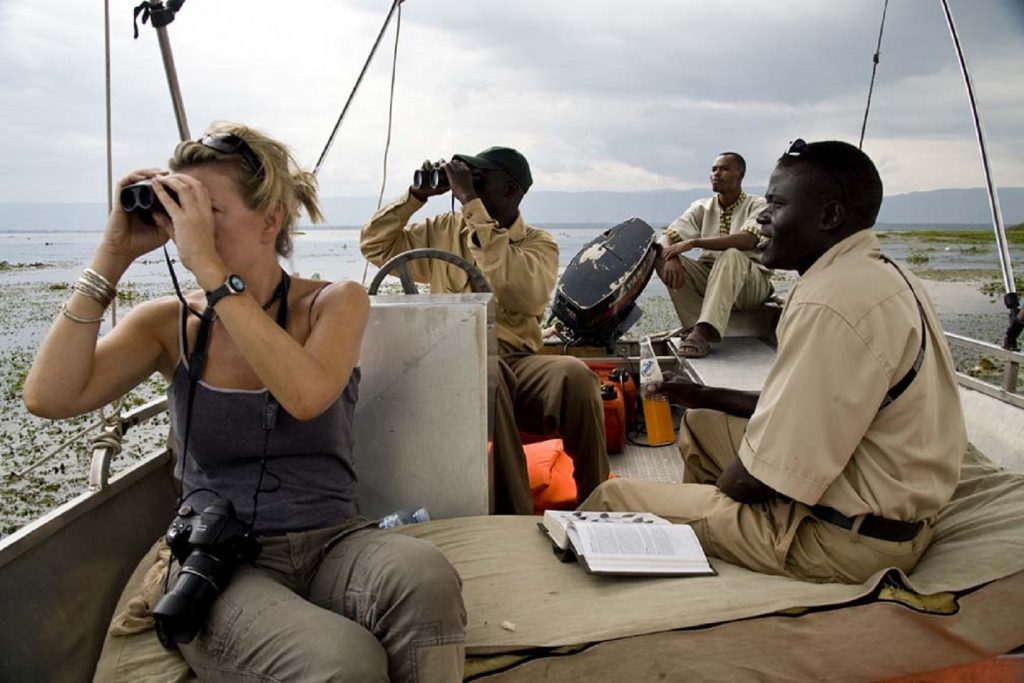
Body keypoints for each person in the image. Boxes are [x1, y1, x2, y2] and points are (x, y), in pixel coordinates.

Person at [22, 122, 466, 681]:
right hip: (222, 561)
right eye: (182, 211)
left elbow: (305, 396)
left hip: (333, 540)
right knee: (344, 662)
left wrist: (212, 274)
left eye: (207, 212)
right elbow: (48, 396)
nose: (189, 231)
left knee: (425, 576)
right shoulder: (169, 324)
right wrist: (112, 255)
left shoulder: (333, 303)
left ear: (271, 220)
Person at [581, 140, 967, 584]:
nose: (763, 216)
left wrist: (719, 502)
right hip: (886, 498)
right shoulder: (886, 275)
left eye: (778, 204)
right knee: (702, 422)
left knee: (614, 497)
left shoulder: (828, 302)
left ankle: (710, 544)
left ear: (830, 216)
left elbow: (751, 480)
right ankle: (706, 542)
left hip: (843, 540)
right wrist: (704, 396)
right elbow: (810, 405)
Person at [360, 146, 609, 514]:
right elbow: (374, 245)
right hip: (453, 363)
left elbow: (516, 291)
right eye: (465, 180)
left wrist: (471, 205)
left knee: (577, 377)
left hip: (516, 359)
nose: (466, 189)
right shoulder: (444, 230)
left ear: (511, 191)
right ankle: (515, 515)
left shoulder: (538, 244)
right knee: (487, 381)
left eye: (478, 180)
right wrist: (415, 198)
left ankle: (599, 502)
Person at [656, 152, 774, 358]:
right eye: (714, 169)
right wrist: (671, 255)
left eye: (724, 169)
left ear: (741, 175)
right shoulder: (702, 207)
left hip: (751, 283)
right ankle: (694, 326)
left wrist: (693, 242)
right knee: (658, 256)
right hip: (711, 277)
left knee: (732, 255)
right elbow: (666, 237)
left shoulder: (759, 205)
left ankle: (703, 331)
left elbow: (747, 240)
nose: (716, 174)